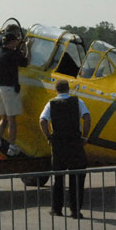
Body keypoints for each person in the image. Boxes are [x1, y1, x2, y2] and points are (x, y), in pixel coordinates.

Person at [39, 79, 91, 219]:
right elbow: (87, 117)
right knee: (77, 178)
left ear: (56, 90)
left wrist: (48, 137)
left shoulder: (51, 104)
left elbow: (43, 120)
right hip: (75, 143)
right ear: (68, 89)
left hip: (59, 144)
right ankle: (75, 210)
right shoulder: (77, 102)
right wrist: (85, 136)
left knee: (58, 178)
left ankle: (57, 209)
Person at [0, 32, 29, 156]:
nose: (17, 43)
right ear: (11, 43)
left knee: (3, 118)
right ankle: (12, 146)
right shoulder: (12, 54)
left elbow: (12, 56)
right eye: (15, 41)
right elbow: (25, 62)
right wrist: (27, 47)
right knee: (12, 120)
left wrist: (16, 49)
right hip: (8, 90)